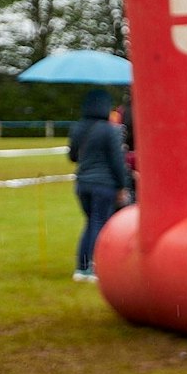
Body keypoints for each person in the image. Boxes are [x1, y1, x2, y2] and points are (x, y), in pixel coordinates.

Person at [68, 87, 132, 282]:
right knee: (99, 223)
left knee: (90, 223)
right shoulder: (109, 130)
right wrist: (123, 185)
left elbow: (72, 156)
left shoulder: (78, 128)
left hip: (82, 183)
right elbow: (116, 161)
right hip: (104, 184)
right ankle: (94, 266)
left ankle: (81, 266)